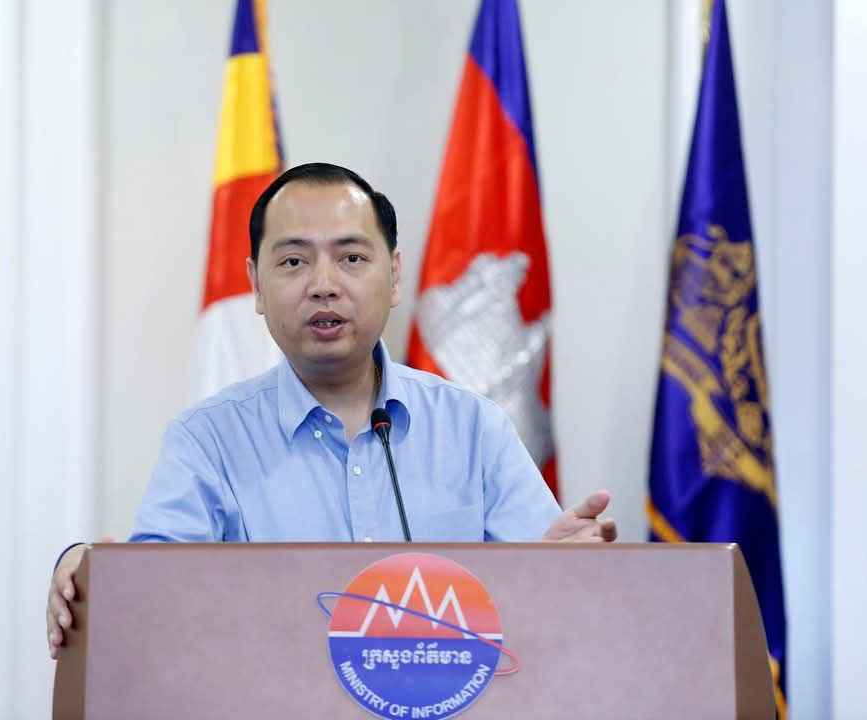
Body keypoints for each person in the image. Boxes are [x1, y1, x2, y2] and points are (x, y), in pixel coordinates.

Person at [46, 163, 617, 659]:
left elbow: (540, 600)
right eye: (294, 261)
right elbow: (152, 593)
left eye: (351, 258)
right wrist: (86, 566)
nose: (323, 285)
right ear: (256, 285)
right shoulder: (207, 441)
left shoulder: (474, 428)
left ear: (394, 276)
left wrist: (564, 564)